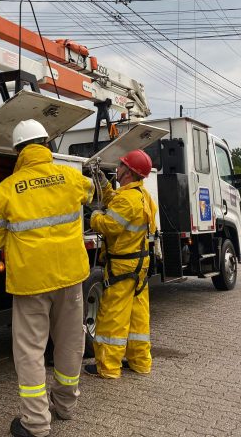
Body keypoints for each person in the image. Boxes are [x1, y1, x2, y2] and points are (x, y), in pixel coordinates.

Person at [0, 119, 95, 437]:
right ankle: (65, 406)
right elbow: (92, 192)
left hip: (30, 281)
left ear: (18, 151)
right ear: (47, 145)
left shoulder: (6, 189)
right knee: (71, 343)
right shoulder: (71, 177)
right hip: (71, 276)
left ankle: (35, 424)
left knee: (31, 350)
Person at [85, 149, 157, 379]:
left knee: (112, 317)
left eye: (121, 165)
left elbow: (110, 225)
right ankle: (140, 362)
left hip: (122, 267)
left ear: (129, 171)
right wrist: (104, 185)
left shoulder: (128, 200)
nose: (118, 168)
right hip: (138, 266)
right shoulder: (141, 195)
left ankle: (108, 367)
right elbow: (116, 201)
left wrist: (94, 216)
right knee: (138, 318)